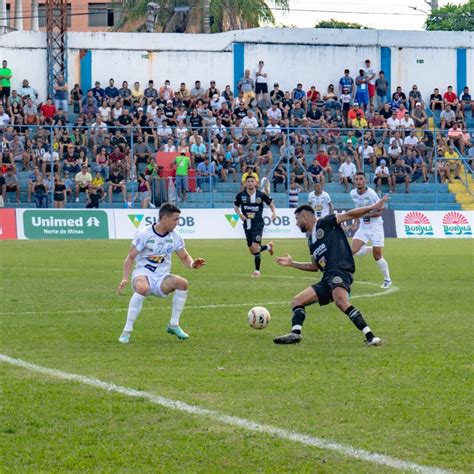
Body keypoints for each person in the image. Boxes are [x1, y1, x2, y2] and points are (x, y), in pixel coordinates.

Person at [273, 200, 387, 345]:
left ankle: (371, 336)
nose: (296, 224)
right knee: (297, 301)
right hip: (327, 277)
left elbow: (350, 214)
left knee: (341, 301)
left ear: (304, 218)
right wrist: (292, 263)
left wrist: (372, 207)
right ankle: (295, 334)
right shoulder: (310, 241)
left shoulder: (325, 222)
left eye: (296, 220)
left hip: (340, 270)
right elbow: (314, 266)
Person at [117, 202, 206, 344]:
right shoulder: (144, 234)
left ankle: (173, 324)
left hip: (162, 278)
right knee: (142, 288)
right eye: (175, 219)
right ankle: (127, 331)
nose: (177, 223)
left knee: (182, 283)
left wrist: (192, 264)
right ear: (164, 219)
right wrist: (125, 278)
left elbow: (184, 257)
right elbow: (130, 257)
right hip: (143, 274)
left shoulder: (176, 236)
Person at [350, 172, 392, 289]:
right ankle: (346, 274)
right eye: (356, 179)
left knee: (377, 256)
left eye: (360, 179)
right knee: (351, 251)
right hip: (363, 227)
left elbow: (379, 212)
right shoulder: (353, 193)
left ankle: (387, 280)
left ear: (365, 181)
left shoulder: (372, 194)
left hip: (375, 227)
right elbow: (358, 210)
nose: (358, 181)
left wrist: (362, 216)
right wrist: (357, 221)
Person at [233, 175, 277, 278]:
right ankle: (268, 247)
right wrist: (240, 215)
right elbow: (235, 207)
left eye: (252, 181)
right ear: (245, 183)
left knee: (256, 247)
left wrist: (274, 213)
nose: (250, 183)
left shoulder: (261, 195)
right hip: (247, 224)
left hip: (258, 223)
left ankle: (257, 271)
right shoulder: (241, 195)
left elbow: (271, 204)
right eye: (248, 181)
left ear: (256, 183)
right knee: (252, 250)